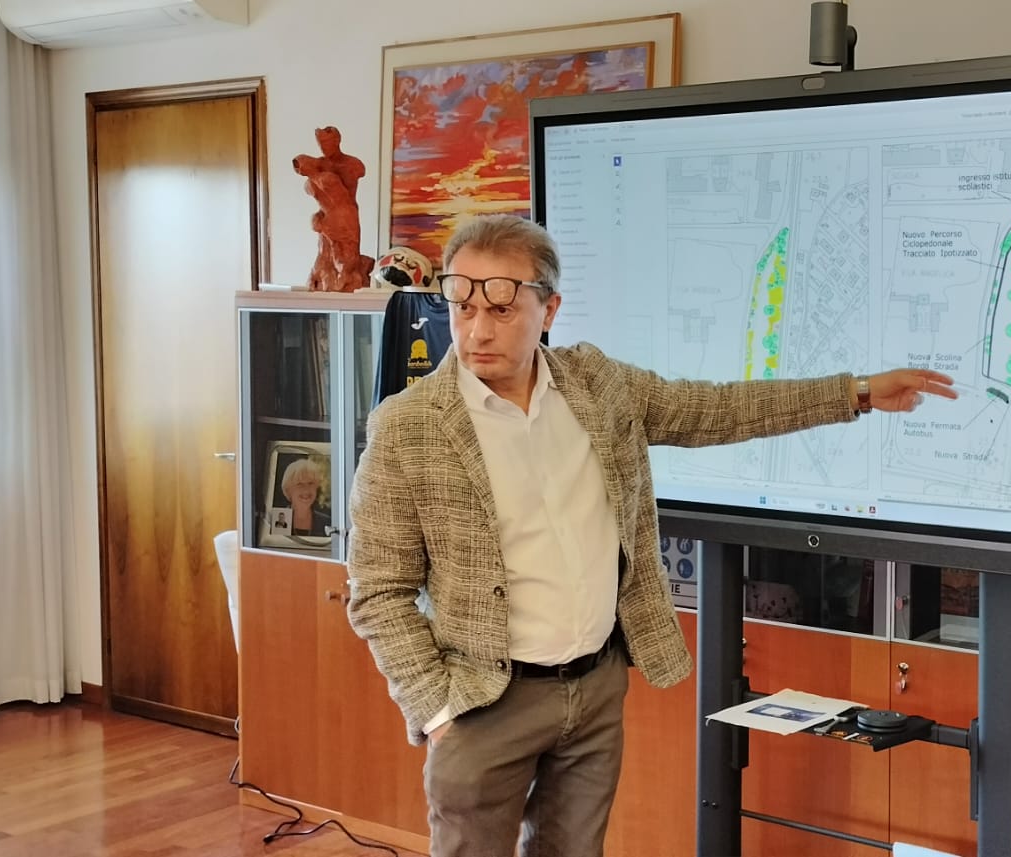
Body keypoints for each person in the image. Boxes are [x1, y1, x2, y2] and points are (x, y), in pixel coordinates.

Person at [344, 214, 957, 857]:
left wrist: (857, 393)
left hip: (595, 689)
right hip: (482, 703)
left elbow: (718, 408)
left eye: (501, 307)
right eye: (462, 305)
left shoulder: (597, 386)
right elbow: (378, 590)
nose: (477, 329)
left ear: (549, 309)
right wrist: (438, 711)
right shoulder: (407, 427)